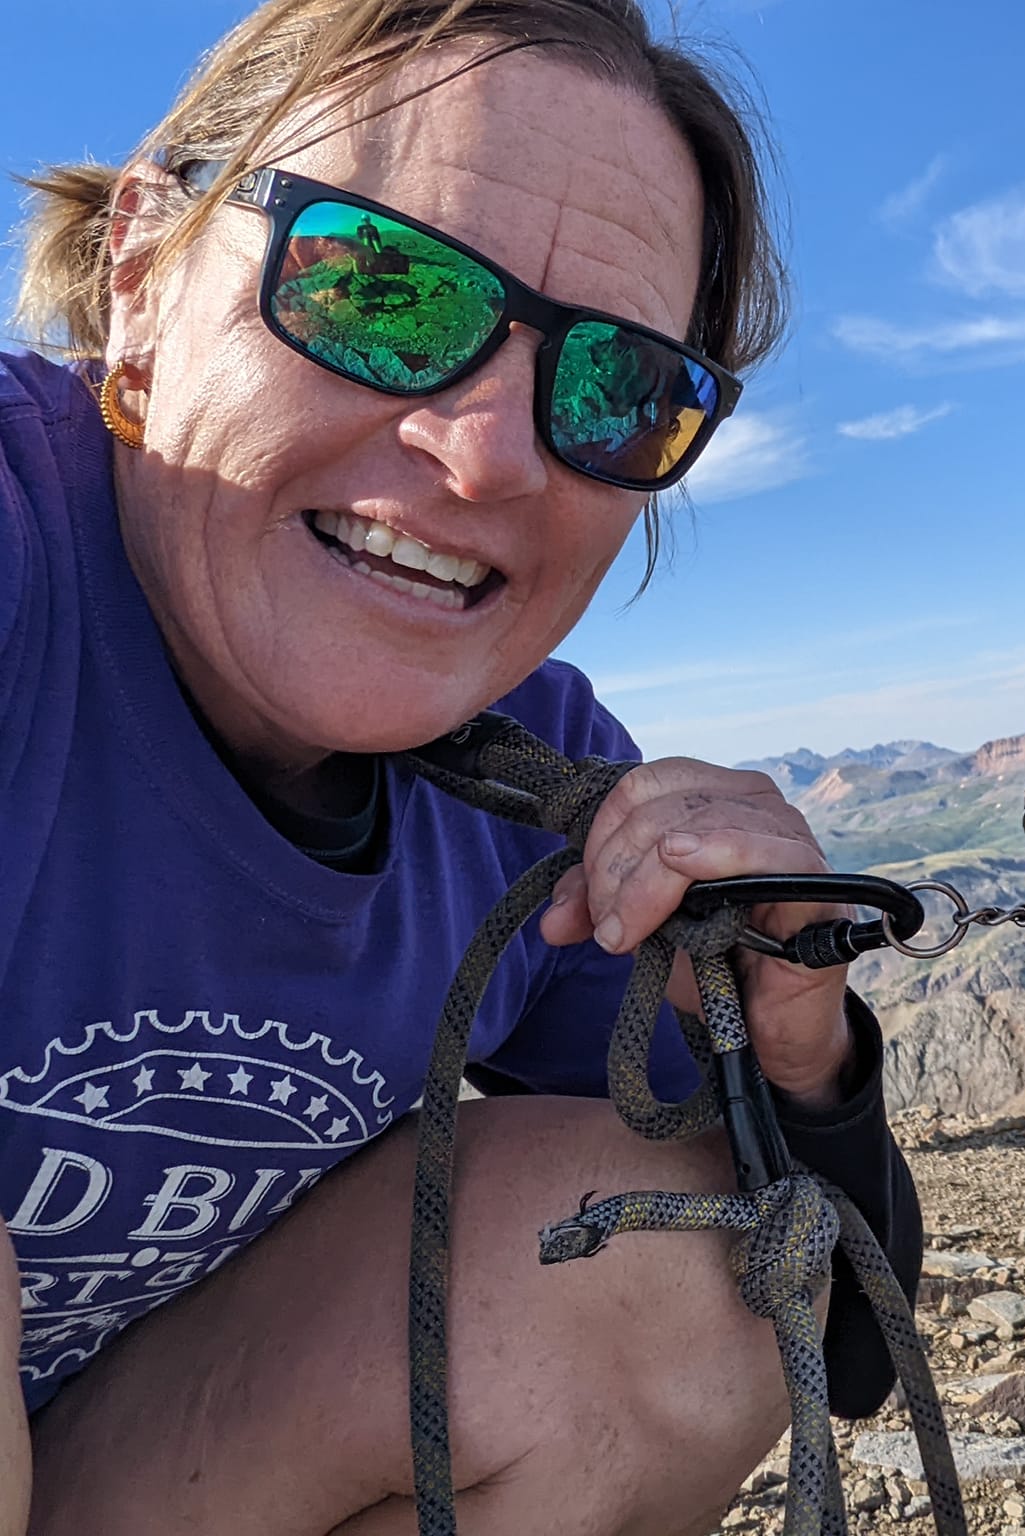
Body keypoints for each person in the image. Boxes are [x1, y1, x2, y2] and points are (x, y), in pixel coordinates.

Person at [0, 2, 924, 1531]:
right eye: (380, 287)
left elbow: (825, 1333)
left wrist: (800, 1043)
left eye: (616, 390)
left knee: (677, 1272)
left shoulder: (539, 798)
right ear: (146, 273)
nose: (490, 454)